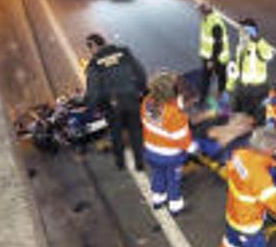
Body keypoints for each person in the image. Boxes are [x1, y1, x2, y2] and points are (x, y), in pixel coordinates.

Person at [84, 33, 147, 171]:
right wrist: (142, 90)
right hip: (131, 98)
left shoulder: (94, 63)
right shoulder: (124, 52)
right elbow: (140, 72)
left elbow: (93, 89)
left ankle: (120, 163)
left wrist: (92, 107)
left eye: (89, 47)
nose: (90, 50)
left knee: (116, 133)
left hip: (112, 105)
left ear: (94, 45)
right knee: (135, 131)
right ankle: (139, 162)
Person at [141, 71, 195, 216]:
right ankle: (175, 204)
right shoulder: (176, 115)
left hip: (151, 151)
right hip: (171, 157)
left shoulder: (147, 102)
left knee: (158, 174)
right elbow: (183, 140)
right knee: (173, 179)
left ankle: (158, 197)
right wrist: (193, 148)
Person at [226, 18, 273, 122]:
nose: (240, 32)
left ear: (250, 32)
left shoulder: (258, 45)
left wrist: (258, 40)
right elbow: (236, 69)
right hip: (243, 88)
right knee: (238, 116)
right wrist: (229, 86)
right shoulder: (241, 46)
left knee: (257, 119)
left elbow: (268, 55)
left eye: (242, 30)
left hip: (258, 90)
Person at [197, 2, 230, 106]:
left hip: (218, 58)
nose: (199, 14)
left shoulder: (215, 23)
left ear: (204, 12)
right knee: (205, 79)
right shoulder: (206, 20)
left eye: (200, 12)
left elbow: (218, 44)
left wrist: (212, 60)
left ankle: (222, 102)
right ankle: (202, 101)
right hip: (208, 57)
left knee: (221, 79)